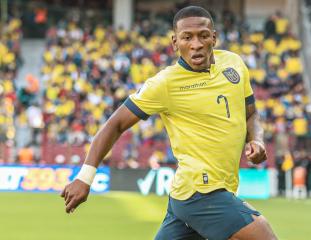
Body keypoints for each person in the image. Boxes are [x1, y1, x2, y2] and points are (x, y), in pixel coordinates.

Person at [60, 6, 278, 240]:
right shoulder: (164, 84)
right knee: (263, 235)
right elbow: (115, 124)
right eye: (187, 37)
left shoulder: (234, 63)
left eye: (203, 35)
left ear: (213, 37)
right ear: (175, 42)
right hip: (200, 193)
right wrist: (85, 177)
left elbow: (251, 115)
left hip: (191, 197)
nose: (196, 44)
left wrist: (256, 139)